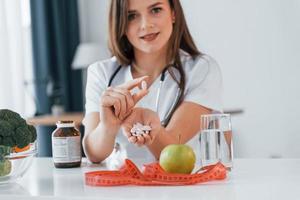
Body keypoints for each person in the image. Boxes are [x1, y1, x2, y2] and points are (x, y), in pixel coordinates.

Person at [82, 0, 223, 163]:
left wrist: (144, 124)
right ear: (121, 23)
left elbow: (171, 150)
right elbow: (93, 154)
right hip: (121, 185)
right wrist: (108, 127)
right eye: (132, 16)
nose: (145, 24)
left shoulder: (202, 69)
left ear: (173, 13)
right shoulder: (101, 72)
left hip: (183, 186)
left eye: (155, 10)